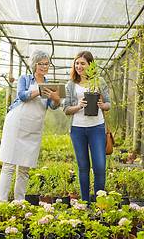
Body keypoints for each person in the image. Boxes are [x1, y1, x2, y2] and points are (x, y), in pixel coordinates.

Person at [0, 50, 60, 202]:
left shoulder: (50, 85)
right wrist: (39, 90)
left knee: (24, 168)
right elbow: (22, 96)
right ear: (34, 65)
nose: (44, 67)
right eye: (41, 64)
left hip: (34, 128)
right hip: (17, 124)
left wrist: (56, 99)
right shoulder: (25, 79)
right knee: (9, 166)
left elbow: (52, 106)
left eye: (46, 64)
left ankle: (19, 203)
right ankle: (2, 204)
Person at [63, 51, 111, 206]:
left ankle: (99, 205)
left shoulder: (99, 82)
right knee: (83, 167)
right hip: (77, 129)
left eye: (82, 63)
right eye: (77, 63)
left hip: (97, 127)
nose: (79, 66)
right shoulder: (71, 84)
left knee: (100, 167)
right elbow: (66, 109)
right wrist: (79, 106)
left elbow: (108, 103)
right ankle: (85, 205)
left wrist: (102, 105)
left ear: (90, 65)